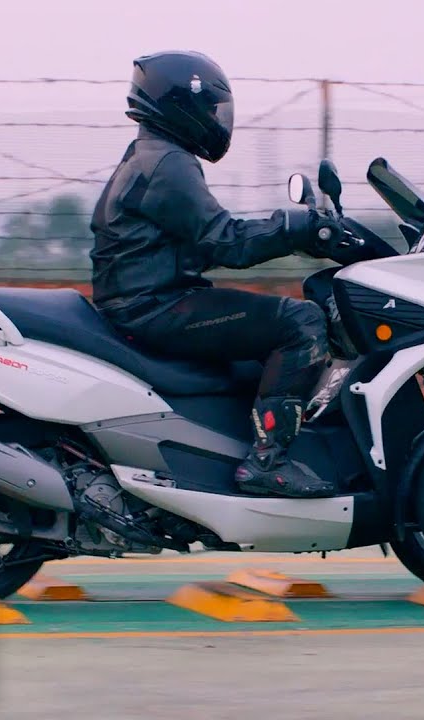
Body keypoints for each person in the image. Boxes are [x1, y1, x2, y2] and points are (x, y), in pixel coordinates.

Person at [89, 50, 343, 499]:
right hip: (155, 307)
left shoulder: (149, 154)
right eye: (208, 107)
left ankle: (222, 455)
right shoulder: (167, 162)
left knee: (254, 357)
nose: (214, 118)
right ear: (179, 105)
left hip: (142, 301)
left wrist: (291, 231)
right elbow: (226, 241)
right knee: (300, 322)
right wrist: (297, 228)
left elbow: (182, 244)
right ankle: (267, 463)